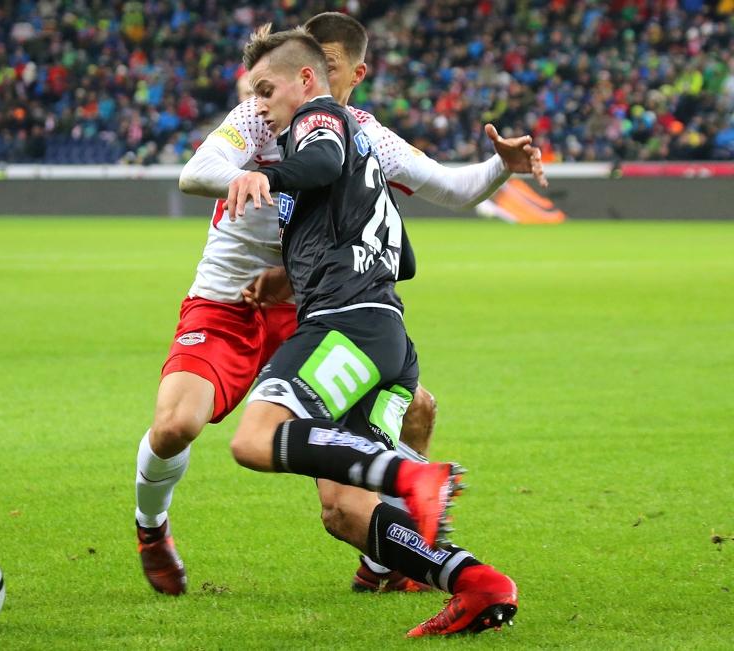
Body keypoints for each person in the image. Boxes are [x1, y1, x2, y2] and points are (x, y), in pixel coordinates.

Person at [141, 11, 544, 597]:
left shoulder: (362, 131)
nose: (315, 76)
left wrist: (498, 167)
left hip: (311, 304)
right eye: (308, 64)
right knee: (178, 424)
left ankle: (389, 556)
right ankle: (151, 528)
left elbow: (452, 190)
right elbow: (199, 169)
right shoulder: (259, 111)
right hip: (232, 295)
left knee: (414, 414)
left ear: (352, 73)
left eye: (328, 65)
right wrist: (256, 177)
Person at [223, 25, 518, 636]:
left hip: (345, 328)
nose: (258, 105)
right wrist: (296, 269)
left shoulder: (320, 117)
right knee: (345, 511)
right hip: (387, 336)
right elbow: (403, 259)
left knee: (253, 440)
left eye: (264, 89)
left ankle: (412, 475)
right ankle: (476, 583)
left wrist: (267, 178)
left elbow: (322, 157)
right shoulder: (364, 151)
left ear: (308, 79)